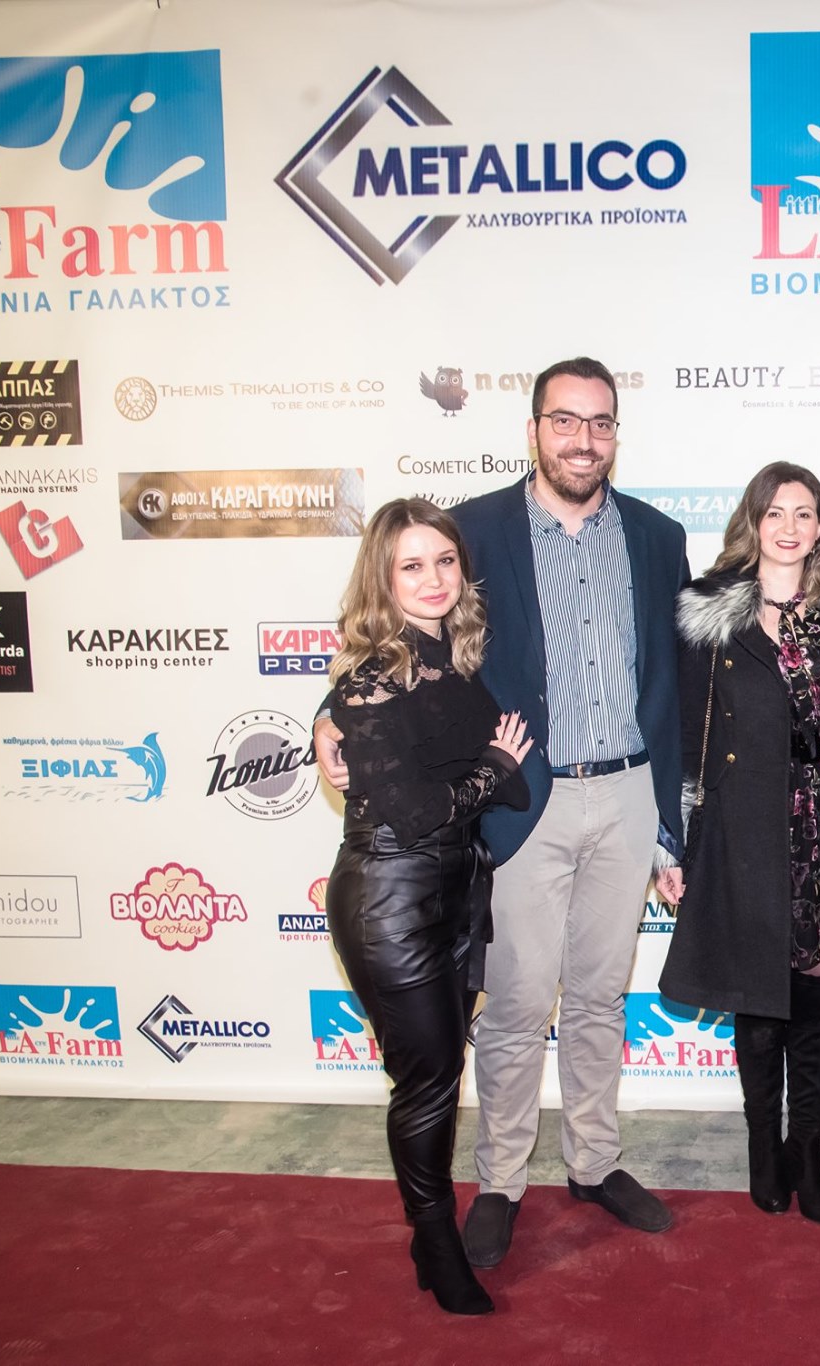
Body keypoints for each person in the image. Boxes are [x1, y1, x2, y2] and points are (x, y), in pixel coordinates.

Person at [316, 358, 690, 1268]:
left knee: (600, 997)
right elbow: (399, 635)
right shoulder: (473, 531)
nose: (583, 440)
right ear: (533, 431)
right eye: (565, 421)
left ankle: (595, 1163)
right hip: (526, 801)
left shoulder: (657, 536)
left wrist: (670, 821)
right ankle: (502, 1181)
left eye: (600, 423)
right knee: (518, 1003)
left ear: (616, 434)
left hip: (629, 792)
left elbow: (676, 680)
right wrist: (330, 712)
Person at [655, 462, 820, 1224]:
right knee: (758, 1005)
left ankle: (807, 1149)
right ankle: (764, 1144)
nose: (789, 527)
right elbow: (686, 736)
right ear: (753, 522)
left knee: (818, 1003)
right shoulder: (710, 616)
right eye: (775, 512)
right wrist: (673, 844)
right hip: (744, 837)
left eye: (805, 513)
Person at [322, 498, 532, 1315]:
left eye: (444, 560)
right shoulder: (371, 677)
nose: (433, 578)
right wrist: (493, 769)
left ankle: (429, 1233)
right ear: (382, 577)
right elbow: (414, 812)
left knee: (439, 1074)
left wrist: (488, 775)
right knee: (429, 1081)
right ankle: (437, 1243)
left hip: (451, 892)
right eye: (411, 565)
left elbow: (462, 781)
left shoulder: (454, 657)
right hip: (390, 897)